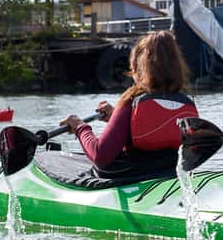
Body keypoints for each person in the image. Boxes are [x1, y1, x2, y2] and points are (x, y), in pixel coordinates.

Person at [60, 30, 199, 178]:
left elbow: (100, 156)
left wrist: (79, 127)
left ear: (139, 70)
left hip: (131, 177)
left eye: (132, 70)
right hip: (171, 174)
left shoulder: (132, 100)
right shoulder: (187, 103)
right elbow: (158, 129)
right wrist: (116, 116)